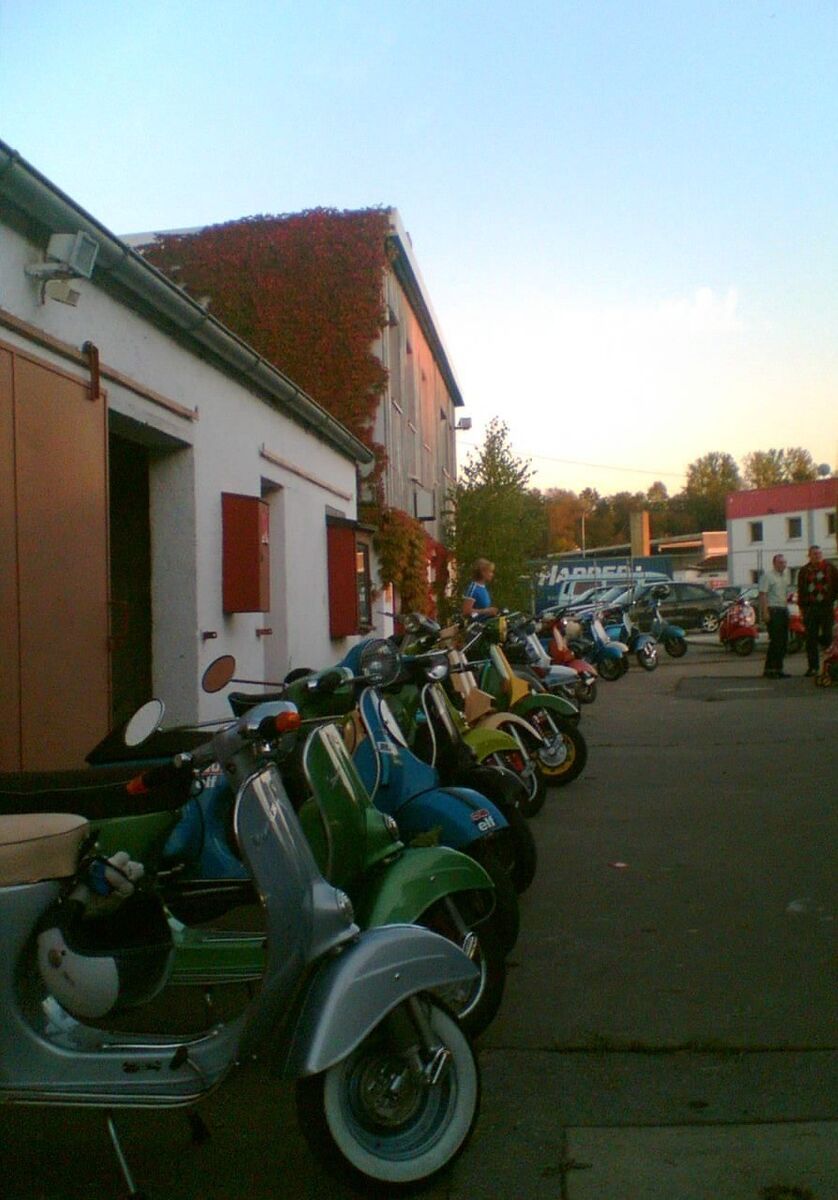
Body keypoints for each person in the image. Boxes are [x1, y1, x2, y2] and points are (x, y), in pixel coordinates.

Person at [796, 545, 838, 677]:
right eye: (814, 554)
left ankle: (829, 666)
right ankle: (813, 667)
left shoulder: (830, 568)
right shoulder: (804, 570)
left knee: (828, 636)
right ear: (809, 556)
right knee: (810, 638)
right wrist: (802, 608)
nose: (817, 556)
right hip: (810, 608)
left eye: (819, 553)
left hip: (826, 606)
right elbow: (801, 590)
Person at [757, 553, 790, 678]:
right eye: (780, 562)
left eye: (784, 562)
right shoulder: (768, 576)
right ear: (774, 563)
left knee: (783, 641)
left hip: (783, 610)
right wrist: (765, 612)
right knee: (775, 641)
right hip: (773, 610)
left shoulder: (785, 577)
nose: (783, 565)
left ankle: (778, 668)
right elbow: (763, 594)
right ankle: (770, 669)